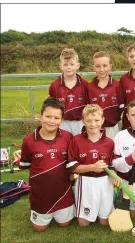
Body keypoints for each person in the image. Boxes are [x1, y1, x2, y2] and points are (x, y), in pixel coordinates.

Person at [19, 98, 75, 232]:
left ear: (61, 121)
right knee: (39, 228)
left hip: (63, 192)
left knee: (65, 224)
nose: (51, 121)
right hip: (41, 194)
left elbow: (72, 161)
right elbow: (26, 164)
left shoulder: (68, 137)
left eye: (56, 118)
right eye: (48, 116)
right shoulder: (28, 140)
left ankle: (64, 208)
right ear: (40, 117)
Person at [67, 104, 119, 227]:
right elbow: (71, 166)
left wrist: (113, 175)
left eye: (96, 120)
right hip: (85, 182)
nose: (93, 124)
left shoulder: (109, 142)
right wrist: (92, 167)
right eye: (89, 121)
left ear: (102, 120)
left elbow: (112, 165)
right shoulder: (76, 140)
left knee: (105, 222)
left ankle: (108, 206)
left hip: (104, 182)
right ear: (82, 121)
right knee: (83, 223)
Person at [48, 48, 88, 136]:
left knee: (79, 147)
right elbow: (51, 106)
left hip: (80, 122)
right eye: (65, 64)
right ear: (61, 66)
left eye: (72, 64)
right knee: (63, 147)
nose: (69, 67)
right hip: (62, 123)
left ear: (77, 65)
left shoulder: (85, 84)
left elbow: (89, 105)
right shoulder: (55, 85)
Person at [86, 51, 124, 139]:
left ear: (110, 66)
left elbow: (121, 106)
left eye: (104, 66)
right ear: (93, 67)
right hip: (95, 128)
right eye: (98, 66)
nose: (101, 69)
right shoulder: (89, 86)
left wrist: (114, 119)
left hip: (113, 127)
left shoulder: (117, 85)